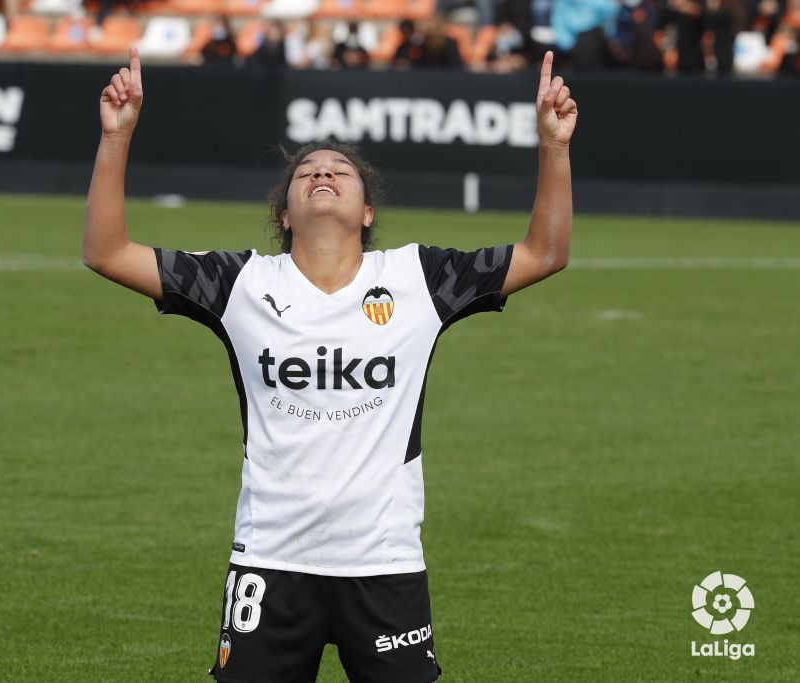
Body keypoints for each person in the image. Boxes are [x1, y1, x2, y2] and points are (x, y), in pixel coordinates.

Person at [83, 46, 576, 682]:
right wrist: (115, 137)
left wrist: (553, 146)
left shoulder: (418, 278)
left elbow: (547, 252)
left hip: (384, 563)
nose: (323, 173)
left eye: (341, 170)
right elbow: (106, 251)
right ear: (285, 214)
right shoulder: (240, 282)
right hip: (269, 560)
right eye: (307, 170)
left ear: (367, 211)